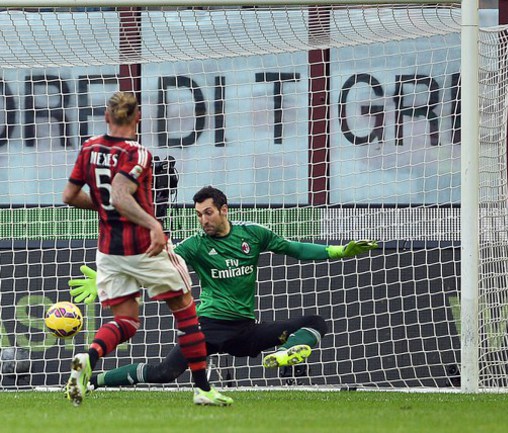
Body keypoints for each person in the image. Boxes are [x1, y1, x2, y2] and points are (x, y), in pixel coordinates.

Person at [68, 185, 377, 390]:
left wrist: (338, 251)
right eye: (199, 215)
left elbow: (294, 248)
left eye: (208, 212)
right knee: (165, 373)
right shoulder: (195, 245)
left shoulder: (253, 234)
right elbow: (156, 266)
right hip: (207, 327)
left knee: (316, 322)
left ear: (224, 210)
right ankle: (93, 381)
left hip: (244, 330)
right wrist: (108, 279)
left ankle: (285, 354)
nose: (203, 220)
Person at [61, 92, 232, 407]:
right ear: (137, 118)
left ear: (106, 117)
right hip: (143, 246)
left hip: (108, 251)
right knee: (186, 311)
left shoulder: (89, 148)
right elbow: (120, 194)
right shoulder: (137, 153)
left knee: (126, 322)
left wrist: (104, 208)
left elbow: (69, 196)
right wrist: (152, 224)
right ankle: (203, 389)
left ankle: (88, 357)